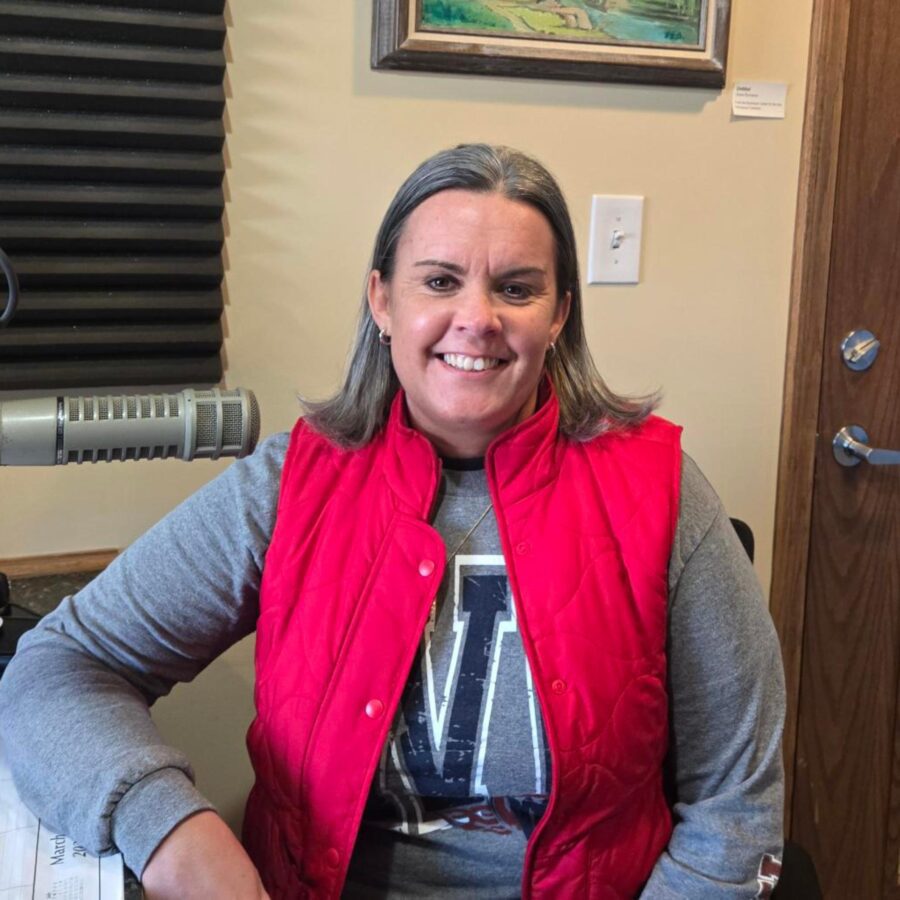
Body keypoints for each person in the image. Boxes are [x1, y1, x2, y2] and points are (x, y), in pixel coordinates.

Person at [0, 144, 785, 899]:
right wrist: (167, 826)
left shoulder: (661, 491)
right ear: (382, 300)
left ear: (559, 317)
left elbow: (737, 807)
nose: (477, 318)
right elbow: (58, 667)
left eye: (516, 289)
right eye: (440, 281)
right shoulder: (288, 487)